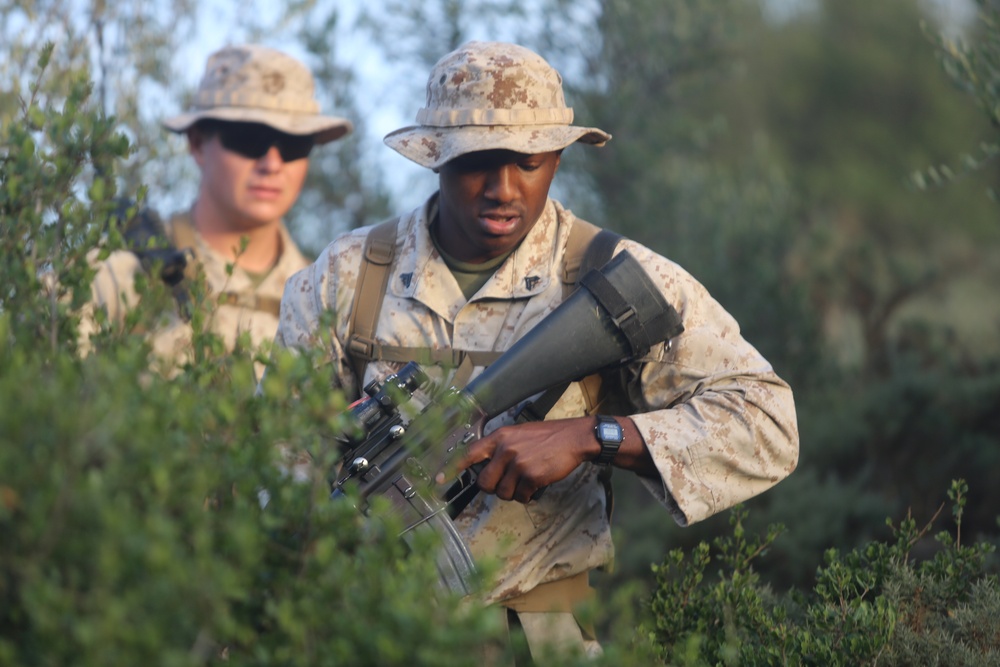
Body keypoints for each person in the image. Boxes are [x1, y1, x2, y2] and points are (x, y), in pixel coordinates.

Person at [272, 41, 798, 661]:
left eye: (527, 161)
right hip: (365, 636)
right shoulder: (347, 274)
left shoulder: (609, 278)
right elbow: (276, 450)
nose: (503, 188)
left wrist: (591, 437)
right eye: (478, 161)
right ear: (435, 156)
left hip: (539, 642)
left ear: (557, 155)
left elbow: (767, 422)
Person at [83, 44, 352, 373]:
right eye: (248, 139)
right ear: (197, 144)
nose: (272, 163)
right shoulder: (116, 275)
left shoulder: (329, 301)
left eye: (294, 144)